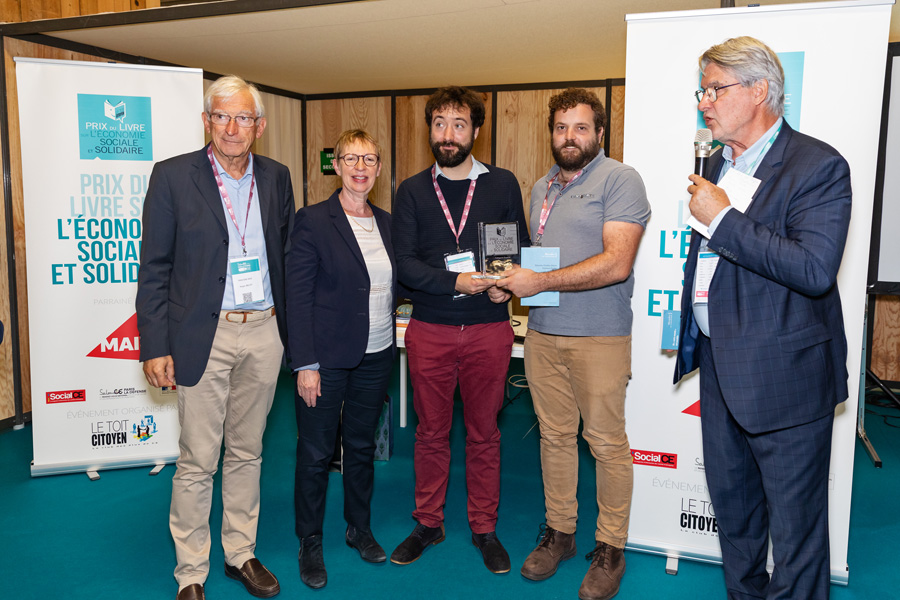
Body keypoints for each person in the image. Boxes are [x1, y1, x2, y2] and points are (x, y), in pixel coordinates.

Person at [674, 37, 851, 600]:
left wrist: (723, 221)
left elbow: (815, 268)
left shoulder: (818, 166)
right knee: (738, 520)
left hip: (787, 376)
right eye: (702, 90)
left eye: (714, 88)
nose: (704, 101)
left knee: (796, 534)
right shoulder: (716, 163)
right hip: (720, 366)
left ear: (758, 90)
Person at [136, 75, 294, 600]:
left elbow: (287, 257)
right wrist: (154, 344)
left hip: (265, 331)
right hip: (203, 333)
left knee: (248, 452)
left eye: (242, 117)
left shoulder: (276, 177)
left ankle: (240, 553)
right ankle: (191, 573)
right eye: (221, 116)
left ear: (259, 126)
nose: (232, 127)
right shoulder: (173, 176)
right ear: (207, 121)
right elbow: (154, 267)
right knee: (198, 458)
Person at [496, 88, 650, 600]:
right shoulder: (541, 187)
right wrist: (512, 279)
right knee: (554, 438)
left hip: (600, 337)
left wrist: (539, 283)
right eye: (561, 128)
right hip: (542, 335)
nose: (570, 137)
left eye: (581, 128)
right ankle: (560, 532)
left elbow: (616, 262)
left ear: (599, 133)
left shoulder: (620, 179)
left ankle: (610, 548)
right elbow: (541, 257)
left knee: (605, 444)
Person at [390, 85, 529, 574]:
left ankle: (483, 527)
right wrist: (457, 280)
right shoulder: (410, 190)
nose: (448, 135)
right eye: (440, 124)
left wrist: (503, 286)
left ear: (476, 131)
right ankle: (428, 522)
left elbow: (519, 248)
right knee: (429, 433)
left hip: (489, 330)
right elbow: (404, 264)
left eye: (459, 124)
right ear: (430, 129)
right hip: (430, 329)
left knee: (484, 433)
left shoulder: (502, 184)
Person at [285, 129, 396, 589]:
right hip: (325, 359)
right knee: (315, 453)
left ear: (378, 167)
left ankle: (359, 528)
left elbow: (401, 282)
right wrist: (305, 364)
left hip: (377, 354)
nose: (360, 167)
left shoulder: (388, 223)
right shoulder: (313, 220)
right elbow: (298, 294)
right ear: (336, 164)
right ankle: (309, 539)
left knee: (362, 448)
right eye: (350, 158)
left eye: (368, 158)